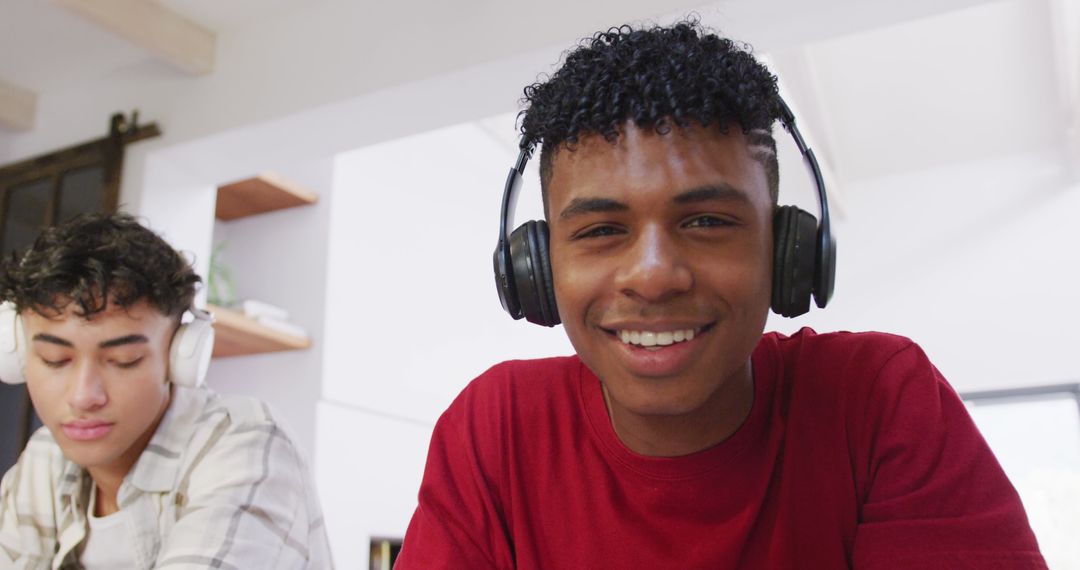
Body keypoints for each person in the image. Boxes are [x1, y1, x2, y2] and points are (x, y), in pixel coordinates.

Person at [395, 20, 1046, 569]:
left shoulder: (879, 403)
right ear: (535, 269)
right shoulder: (494, 430)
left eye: (706, 221)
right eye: (600, 230)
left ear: (787, 250)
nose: (652, 276)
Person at [0, 213, 331, 569]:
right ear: (16, 352)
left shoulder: (245, 440)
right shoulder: (45, 458)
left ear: (180, 358)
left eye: (123, 360)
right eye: (54, 359)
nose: (83, 396)